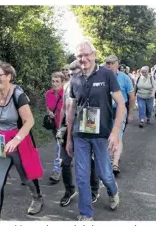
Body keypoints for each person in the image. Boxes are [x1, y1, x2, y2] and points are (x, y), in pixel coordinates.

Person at [66, 40, 123, 221]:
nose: (83, 59)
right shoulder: (74, 79)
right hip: (80, 134)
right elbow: (70, 110)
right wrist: (68, 138)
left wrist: (115, 132)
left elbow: (121, 103)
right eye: (79, 56)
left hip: (101, 134)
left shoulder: (107, 74)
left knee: (105, 173)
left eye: (86, 54)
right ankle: (86, 214)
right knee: (81, 176)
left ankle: (113, 191)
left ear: (94, 54)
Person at [0, 61, 43, 220]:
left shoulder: (18, 95)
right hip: (0, 143)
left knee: (27, 177)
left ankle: (37, 197)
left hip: (19, 142)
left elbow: (29, 121)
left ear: (9, 76)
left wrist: (16, 140)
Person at [56, 60, 100, 207]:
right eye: (70, 73)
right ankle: (69, 191)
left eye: (75, 73)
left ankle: (94, 189)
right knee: (65, 162)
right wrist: (60, 127)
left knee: (90, 160)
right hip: (68, 127)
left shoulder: (91, 85)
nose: (71, 76)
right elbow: (63, 108)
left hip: (86, 125)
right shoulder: (67, 86)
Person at [105, 55, 135, 176]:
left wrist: (131, 113)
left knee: (118, 135)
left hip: (120, 110)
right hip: (105, 111)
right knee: (107, 136)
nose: (110, 65)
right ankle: (108, 158)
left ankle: (115, 163)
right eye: (108, 63)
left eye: (113, 63)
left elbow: (132, 96)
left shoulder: (124, 78)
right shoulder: (102, 77)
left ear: (117, 64)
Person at [45, 72, 64, 183]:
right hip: (54, 124)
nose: (55, 83)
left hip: (64, 125)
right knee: (60, 146)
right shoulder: (48, 93)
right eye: (53, 81)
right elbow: (48, 106)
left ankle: (57, 170)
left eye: (57, 81)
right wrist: (49, 112)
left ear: (62, 82)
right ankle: (64, 163)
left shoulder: (66, 93)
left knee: (59, 146)